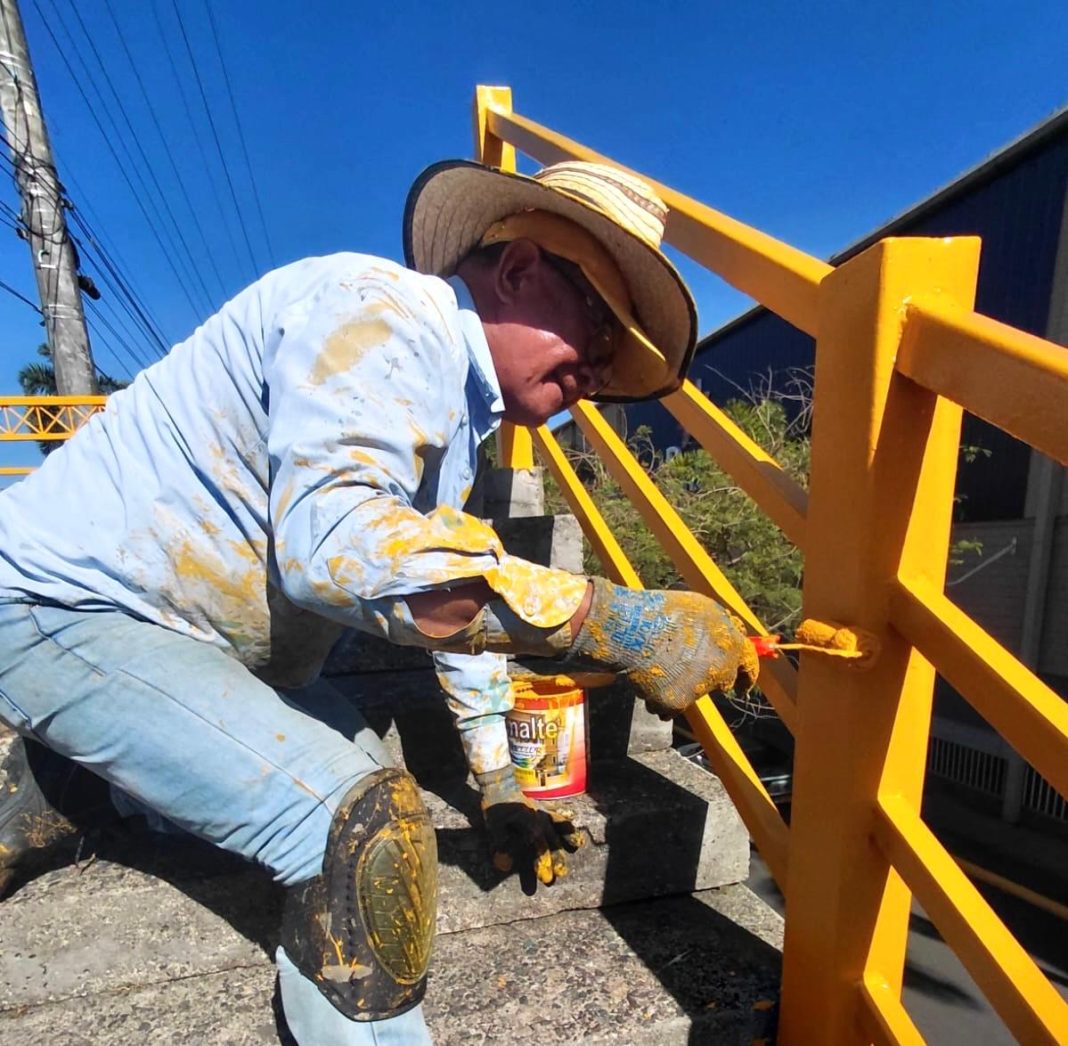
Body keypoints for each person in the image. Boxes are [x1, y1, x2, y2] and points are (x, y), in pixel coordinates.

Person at [0, 159, 757, 1043]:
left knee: (376, 793)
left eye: (615, 360)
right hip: (66, 610)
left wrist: (499, 784)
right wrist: (605, 619)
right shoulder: (379, 308)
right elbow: (337, 548)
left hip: (193, 645)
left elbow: (445, 604)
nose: (597, 370)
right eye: (601, 328)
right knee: (362, 832)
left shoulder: (451, 424)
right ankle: (86, 767)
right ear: (520, 269)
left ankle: (75, 784)